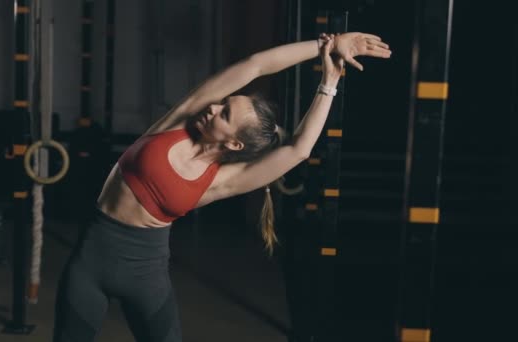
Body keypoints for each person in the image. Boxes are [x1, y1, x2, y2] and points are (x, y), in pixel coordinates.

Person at [52, 32, 391, 342]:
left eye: (224, 114)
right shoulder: (178, 121)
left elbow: (298, 149)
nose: (213, 107)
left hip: (147, 277)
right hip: (91, 261)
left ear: (234, 145)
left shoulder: (218, 181)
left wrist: (329, 83)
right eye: (222, 103)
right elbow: (255, 65)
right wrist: (324, 47)